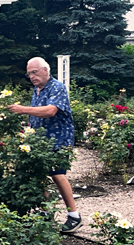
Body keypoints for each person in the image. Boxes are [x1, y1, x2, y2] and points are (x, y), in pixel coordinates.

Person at [8, 57, 82, 233]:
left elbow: (50, 110)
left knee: (57, 174)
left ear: (46, 70)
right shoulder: (37, 90)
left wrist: (22, 109)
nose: (32, 77)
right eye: (29, 74)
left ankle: (74, 216)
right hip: (41, 140)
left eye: (35, 72)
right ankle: (45, 213)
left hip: (59, 139)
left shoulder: (57, 87)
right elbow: (36, 115)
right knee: (39, 173)